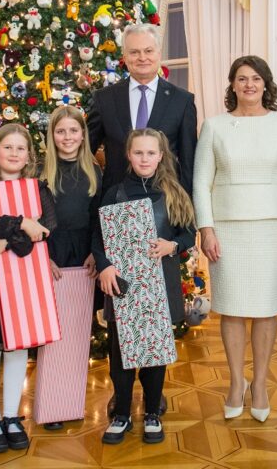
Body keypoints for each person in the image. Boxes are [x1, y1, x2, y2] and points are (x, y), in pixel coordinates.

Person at [192, 56, 277, 422]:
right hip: (227, 229)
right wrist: (206, 228)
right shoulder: (214, 126)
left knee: (266, 308)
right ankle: (236, 383)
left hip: (270, 229)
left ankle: (260, 384)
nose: (249, 85)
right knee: (233, 307)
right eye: (242, 79)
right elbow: (201, 182)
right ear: (233, 85)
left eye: (256, 79)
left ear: (266, 84)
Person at [92, 129, 195, 445]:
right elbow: (97, 239)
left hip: (159, 284)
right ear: (128, 155)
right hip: (122, 286)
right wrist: (105, 264)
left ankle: (152, 412)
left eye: (151, 153)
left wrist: (173, 245)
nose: (145, 158)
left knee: (154, 354)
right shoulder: (114, 193)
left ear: (161, 156)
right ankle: (121, 413)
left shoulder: (173, 194)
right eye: (139, 153)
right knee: (121, 354)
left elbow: (189, 234)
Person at [0, 123, 57, 454]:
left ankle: (11, 416)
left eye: (21, 148)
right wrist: (22, 223)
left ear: (28, 155)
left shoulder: (38, 188)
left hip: (26, 275)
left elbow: (48, 227)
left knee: (18, 347)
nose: (14, 153)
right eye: (8, 147)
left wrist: (7, 239)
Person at [33, 106, 102, 431]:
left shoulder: (94, 170)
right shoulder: (41, 172)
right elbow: (32, 221)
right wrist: (42, 256)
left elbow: (97, 217)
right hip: (51, 252)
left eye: (74, 131)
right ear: (53, 135)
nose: (68, 137)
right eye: (61, 131)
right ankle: (50, 402)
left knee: (76, 330)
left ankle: (69, 400)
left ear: (83, 135)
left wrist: (94, 252)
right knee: (52, 331)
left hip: (83, 256)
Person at [87, 23, 197, 194]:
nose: (142, 57)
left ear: (159, 54)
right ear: (124, 56)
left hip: (166, 203)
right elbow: (84, 154)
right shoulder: (104, 99)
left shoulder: (182, 101)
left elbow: (188, 163)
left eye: (148, 51)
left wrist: (187, 211)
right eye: (134, 52)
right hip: (117, 202)